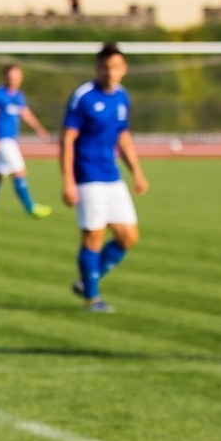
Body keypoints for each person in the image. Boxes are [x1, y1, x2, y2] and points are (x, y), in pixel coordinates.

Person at [60, 42, 148, 313]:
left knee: (128, 236)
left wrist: (137, 171)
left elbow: (123, 135)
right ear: (98, 68)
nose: (110, 73)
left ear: (124, 69)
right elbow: (67, 139)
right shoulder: (83, 97)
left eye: (116, 67)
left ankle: (87, 281)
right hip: (87, 175)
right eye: (105, 67)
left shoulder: (122, 97)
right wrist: (68, 181)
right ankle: (93, 298)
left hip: (112, 175)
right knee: (93, 236)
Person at [0, 64, 53, 219]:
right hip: (3, 140)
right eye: (11, 76)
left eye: (17, 76)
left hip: (11, 140)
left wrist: (39, 129)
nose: (14, 79)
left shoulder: (19, 96)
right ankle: (30, 207)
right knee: (19, 170)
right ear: (5, 77)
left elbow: (26, 114)